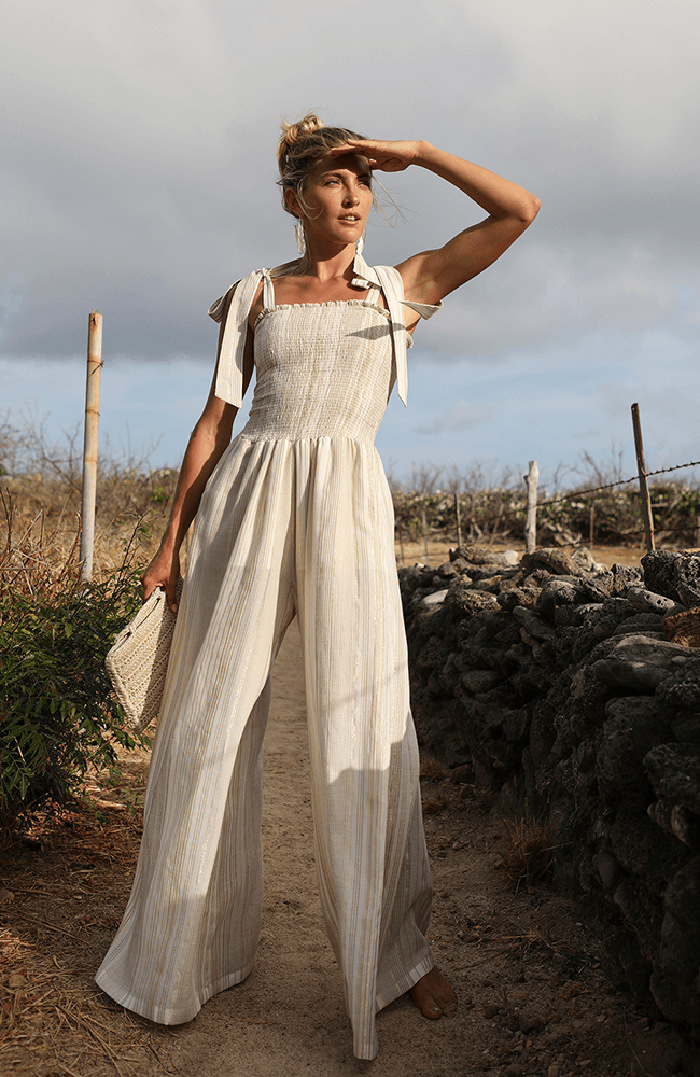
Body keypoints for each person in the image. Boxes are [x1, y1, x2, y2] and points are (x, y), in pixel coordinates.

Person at [96, 114, 540, 1060]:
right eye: (333, 180)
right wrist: (171, 542)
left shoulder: (400, 289)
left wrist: (418, 152)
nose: (352, 195)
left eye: (362, 180)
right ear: (294, 197)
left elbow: (519, 211)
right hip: (247, 507)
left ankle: (395, 957)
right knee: (209, 723)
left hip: (348, 507)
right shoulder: (255, 295)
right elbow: (215, 423)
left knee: (366, 723)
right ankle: (178, 948)